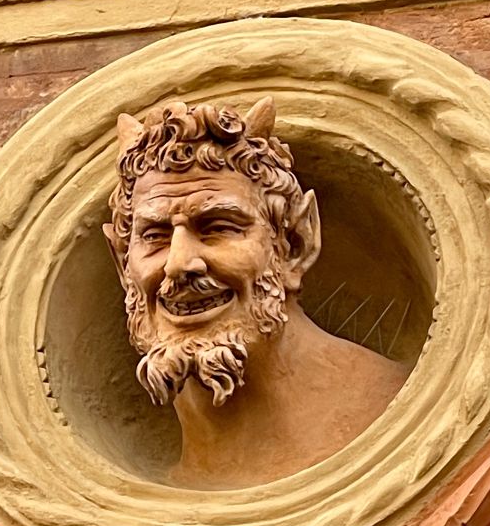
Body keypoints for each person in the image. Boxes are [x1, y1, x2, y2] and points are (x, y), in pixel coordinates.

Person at [104, 96, 408, 488]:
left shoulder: (384, 401)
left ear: (295, 244)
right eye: (155, 236)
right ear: (121, 265)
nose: (179, 263)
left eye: (218, 227)